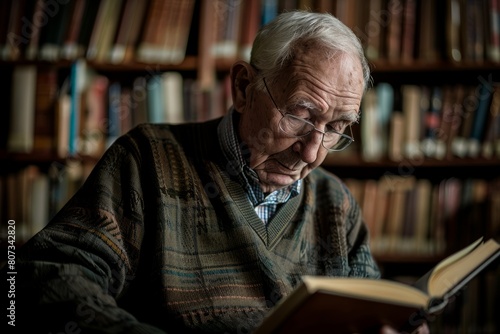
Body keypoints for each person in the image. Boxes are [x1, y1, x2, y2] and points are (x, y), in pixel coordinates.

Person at [4, 10, 428, 334]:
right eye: (300, 115)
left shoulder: (335, 204)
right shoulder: (146, 160)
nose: (312, 152)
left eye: (336, 128)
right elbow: (48, 277)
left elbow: (372, 306)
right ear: (243, 87)